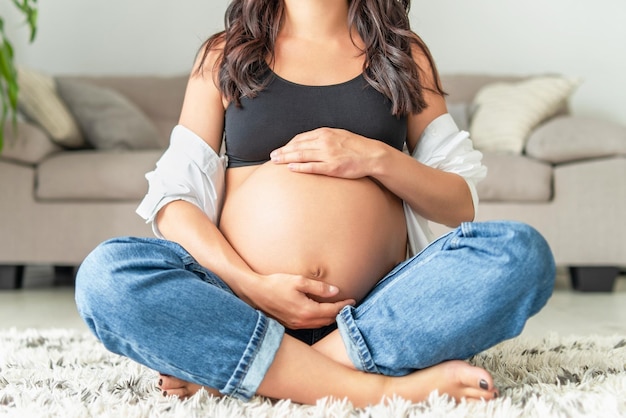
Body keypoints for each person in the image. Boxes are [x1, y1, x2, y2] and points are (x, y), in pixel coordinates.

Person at [75, 0, 555, 408]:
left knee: (520, 253)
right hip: (241, 305)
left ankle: (255, 373)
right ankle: (383, 390)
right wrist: (254, 285)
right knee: (106, 276)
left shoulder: (402, 56)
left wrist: (374, 156)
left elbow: (460, 202)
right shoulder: (225, 55)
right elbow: (173, 202)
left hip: (373, 313)